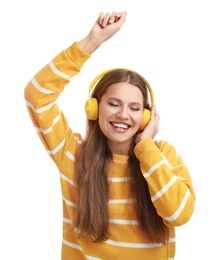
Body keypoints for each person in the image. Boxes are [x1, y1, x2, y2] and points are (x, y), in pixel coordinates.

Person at [24, 11, 196, 260]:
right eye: (113, 104)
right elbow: (36, 96)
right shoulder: (71, 154)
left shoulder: (162, 155)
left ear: (147, 117)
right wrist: (91, 42)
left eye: (135, 108)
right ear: (93, 108)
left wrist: (146, 148)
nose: (123, 115)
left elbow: (179, 214)